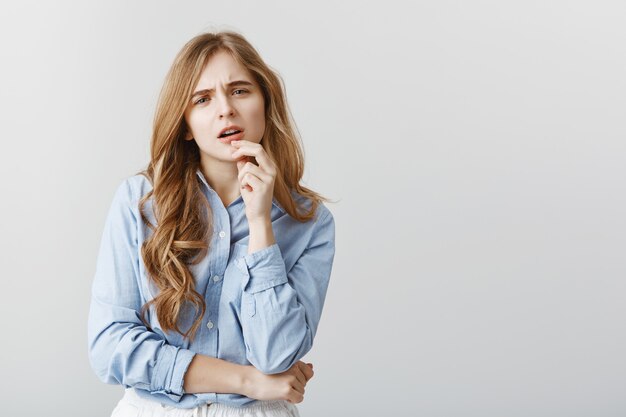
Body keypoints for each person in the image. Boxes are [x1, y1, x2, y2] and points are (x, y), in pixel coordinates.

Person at [87, 30, 336, 417]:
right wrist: (245, 380)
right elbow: (110, 348)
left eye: (239, 91)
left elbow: (277, 356)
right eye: (202, 99)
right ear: (185, 124)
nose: (225, 109)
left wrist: (260, 226)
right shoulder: (139, 202)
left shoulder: (310, 221)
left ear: (265, 104)